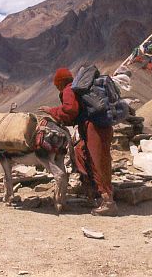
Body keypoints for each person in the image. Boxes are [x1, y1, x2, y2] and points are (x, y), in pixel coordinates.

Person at [39, 68, 118, 217]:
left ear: (60, 82)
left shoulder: (69, 90)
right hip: (98, 127)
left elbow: (70, 110)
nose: (57, 88)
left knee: (98, 162)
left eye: (57, 86)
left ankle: (108, 202)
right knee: (81, 153)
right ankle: (93, 193)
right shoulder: (77, 90)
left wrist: (52, 111)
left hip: (94, 128)